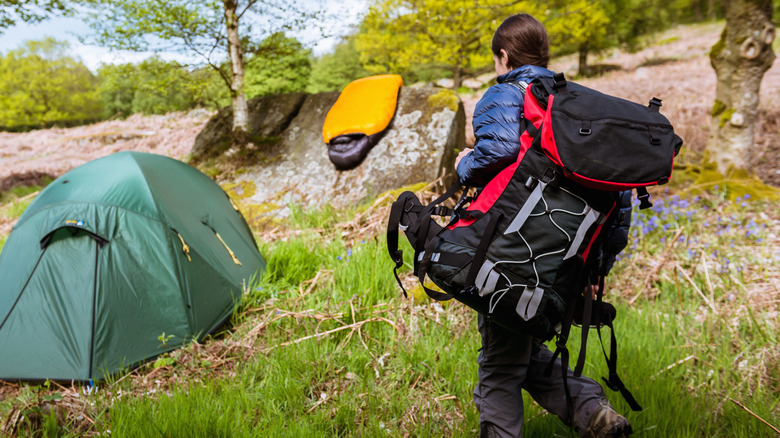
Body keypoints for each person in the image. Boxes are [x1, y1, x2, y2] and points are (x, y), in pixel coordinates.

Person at [454, 13, 634, 438]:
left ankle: (590, 414)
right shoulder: (576, 103)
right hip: (566, 260)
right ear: (545, 53)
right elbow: (620, 191)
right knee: (520, 345)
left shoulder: (506, 94)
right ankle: (593, 414)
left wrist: (465, 166)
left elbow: (496, 150)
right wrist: (597, 268)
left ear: (503, 56)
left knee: (500, 366)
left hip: (512, 254)